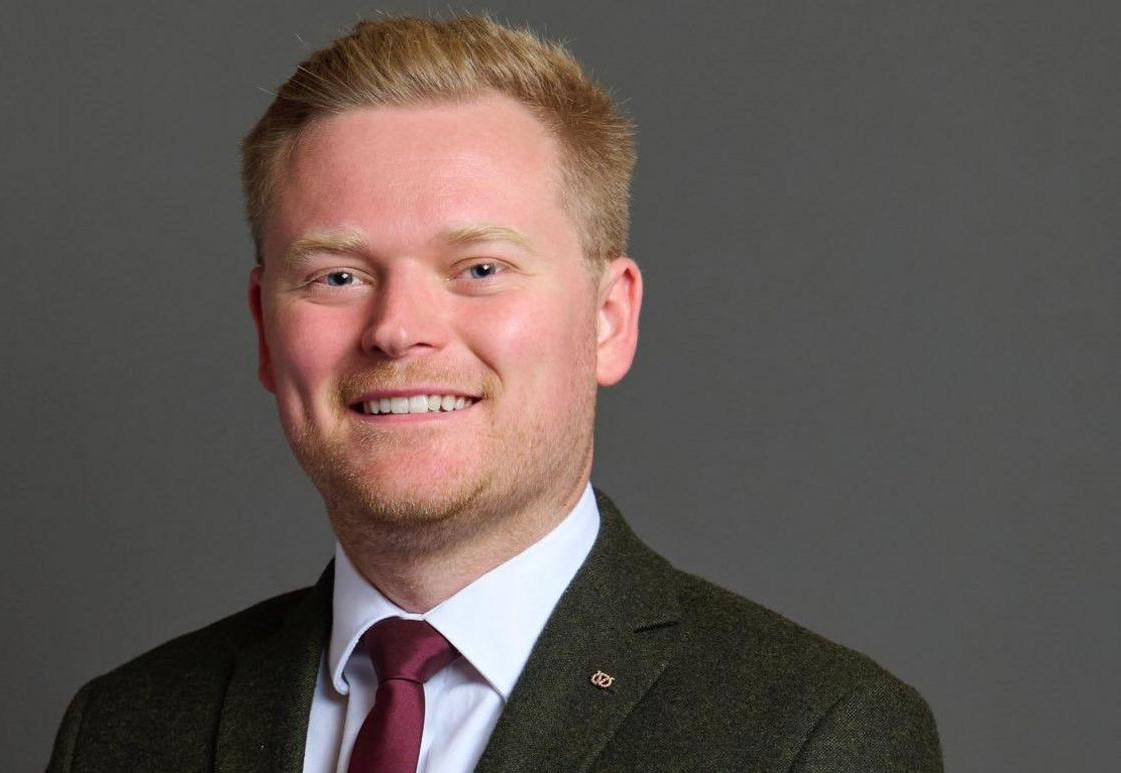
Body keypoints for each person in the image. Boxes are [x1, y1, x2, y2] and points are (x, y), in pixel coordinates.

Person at [46, 15, 942, 773]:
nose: (398, 328)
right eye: (336, 276)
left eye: (479, 267)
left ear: (608, 317)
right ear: (263, 330)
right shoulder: (126, 731)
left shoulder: (812, 736)